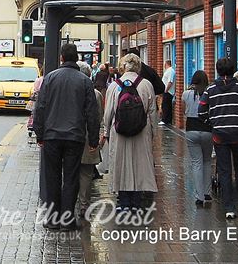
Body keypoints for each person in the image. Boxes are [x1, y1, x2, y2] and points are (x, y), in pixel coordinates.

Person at [32, 43, 100, 231]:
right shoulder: (85, 81)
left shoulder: (50, 78)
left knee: (52, 177)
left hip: (52, 136)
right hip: (75, 137)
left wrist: (39, 133)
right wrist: (93, 140)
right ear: (76, 57)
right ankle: (67, 220)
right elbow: (92, 113)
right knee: (70, 178)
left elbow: (41, 107)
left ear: (62, 57)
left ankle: (52, 219)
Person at [199, 56, 238, 220]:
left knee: (224, 170)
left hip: (220, 135)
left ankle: (229, 208)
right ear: (232, 71)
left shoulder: (210, 90)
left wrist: (213, 123)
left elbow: (201, 112)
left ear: (218, 70)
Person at [103, 52, 158, 213]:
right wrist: (153, 131)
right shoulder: (146, 84)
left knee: (121, 164)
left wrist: (106, 131)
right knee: (139, 164)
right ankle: (136, 201)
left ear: (122, 67)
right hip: (142, 130)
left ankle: (124, 202)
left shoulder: (114, 85)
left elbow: (108, 113)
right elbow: (153, 111)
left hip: (119, 131)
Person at [76, 61, 105, 219]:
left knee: (71, 170)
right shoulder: (96, 94)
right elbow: (99, 117)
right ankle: (84, 204)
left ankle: (70, 201)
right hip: (89, 137)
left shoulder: (72, 90)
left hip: (72, 136)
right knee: (86, 173)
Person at [183, 70, 213, 206]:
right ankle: (207, 193)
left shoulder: (187, 94)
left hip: (191, 130)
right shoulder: (210, 94)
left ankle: (199, 196)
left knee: (196, 163)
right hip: (207, 130)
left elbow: (184, 105)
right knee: (207, 161)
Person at [160, 60, 176, 126]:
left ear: (166, 64)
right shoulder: (168, 71)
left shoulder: (170, 71)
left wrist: (166, 90)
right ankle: (167, 120)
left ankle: (165, 120)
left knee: (166, 106)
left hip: (168, 92)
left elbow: (170, 81)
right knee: (166, 106)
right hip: (167, 91)